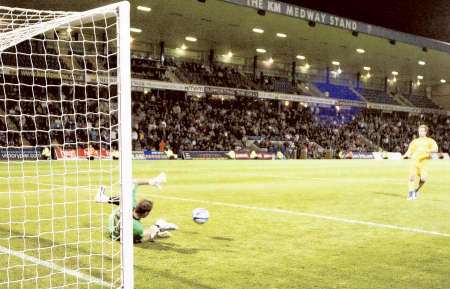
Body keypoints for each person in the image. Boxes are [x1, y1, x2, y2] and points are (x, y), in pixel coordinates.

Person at [96, 172, 177, 242]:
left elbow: (132, 182)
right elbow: (142, 237)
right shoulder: (137, 227)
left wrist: (151, 181)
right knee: (140, 237)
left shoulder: (130, 204)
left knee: (125, 200)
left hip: (113, 224)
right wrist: (157, 227)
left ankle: (104, 198)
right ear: (146, 213)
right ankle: (159, 227)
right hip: (119, 236)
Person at [402, 125, 438, 200]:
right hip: (414, 161)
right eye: (419, 131)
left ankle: (416, 190)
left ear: (425, 132)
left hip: (423, 163)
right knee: (412, 177)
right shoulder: (415, 141)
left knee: (423, 179)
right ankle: (410, 193)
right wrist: (405, 155)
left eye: (422, 131)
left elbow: (436, 149)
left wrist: (429, 150)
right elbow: (409, 151)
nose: (420, 132)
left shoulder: (430, 141)